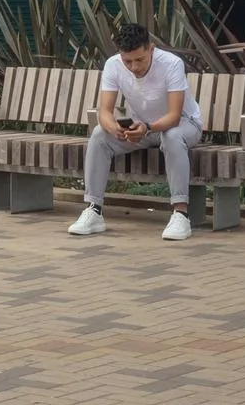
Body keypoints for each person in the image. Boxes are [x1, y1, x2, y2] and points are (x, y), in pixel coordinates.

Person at [68, 21, 203, 242]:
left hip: (184, 125)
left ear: (151, 48)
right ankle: (93, 210)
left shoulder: (171, 64)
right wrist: (117, 130)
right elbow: (104, 112)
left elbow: (174, 115)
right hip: (142, 127)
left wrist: (148, 128)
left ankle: (181, 214)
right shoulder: (113, 65)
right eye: (127, 61)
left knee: (172, 136)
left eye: (139, 60)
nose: (134, 67)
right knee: (100, 135)